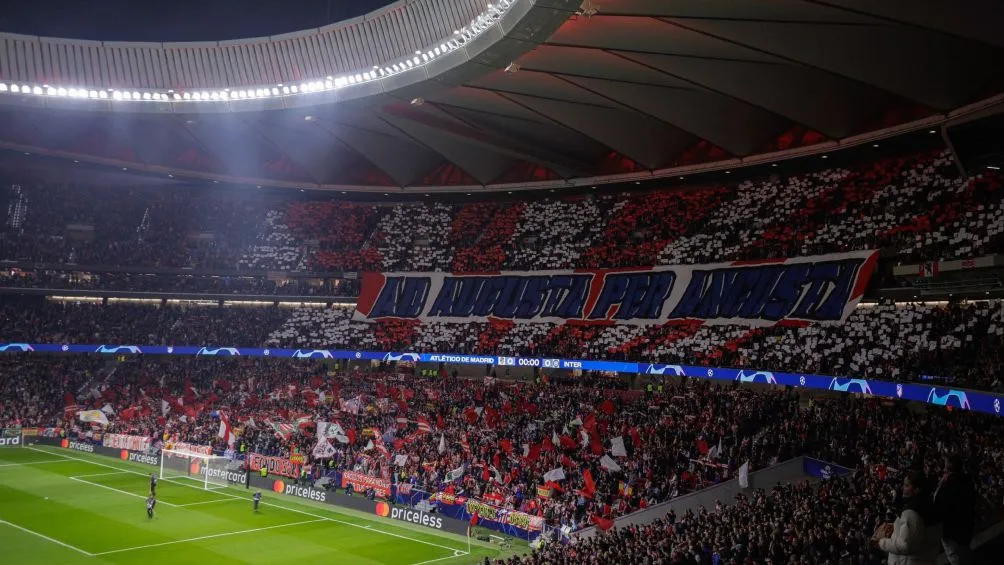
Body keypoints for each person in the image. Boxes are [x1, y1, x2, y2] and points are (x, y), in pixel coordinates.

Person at [875, 470, 943, 565]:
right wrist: (896, 527)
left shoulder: (911, 512)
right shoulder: (928, 507)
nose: (903, 488)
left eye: (907, 486)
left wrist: (881, 542)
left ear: (917, 489)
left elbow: (905, 545)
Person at [935, 455, 977, 565]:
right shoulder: (968, 480)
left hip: (951, 530)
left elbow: (937, 504)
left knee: (955, 557)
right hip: (967, 526)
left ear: (947, 469)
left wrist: (941, 485)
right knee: (965, 554)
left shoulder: (947, 486)